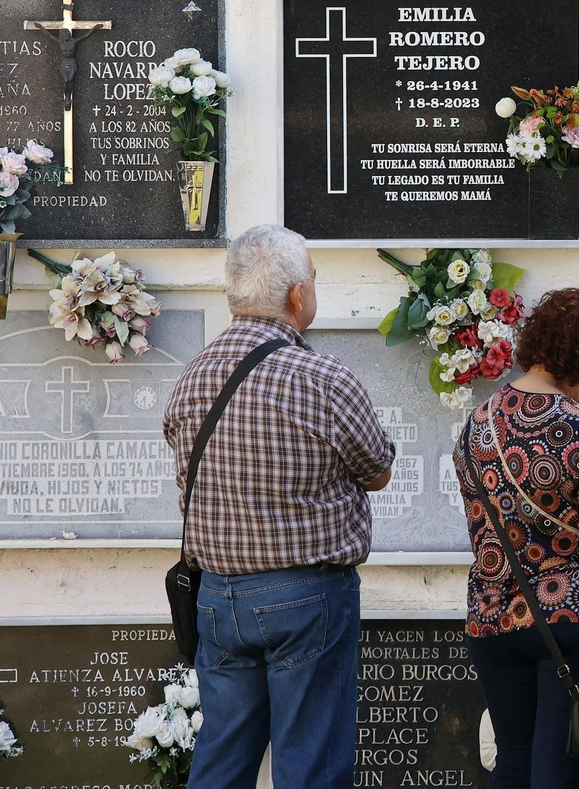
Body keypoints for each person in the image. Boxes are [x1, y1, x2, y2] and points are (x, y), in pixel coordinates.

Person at [163, 224, 395, 789]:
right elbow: (378, 470)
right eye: (313, 279)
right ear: (297, 295)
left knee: (221, 757)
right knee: (311, 761)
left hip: (217, 595)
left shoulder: (192, 377)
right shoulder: (323, 378)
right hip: (305, 595)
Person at [454, 288, 579, 789]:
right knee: (558, 770)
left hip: (495, 615)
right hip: (576, 617)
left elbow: (514, 512)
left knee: (513, 760)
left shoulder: (477, 423)